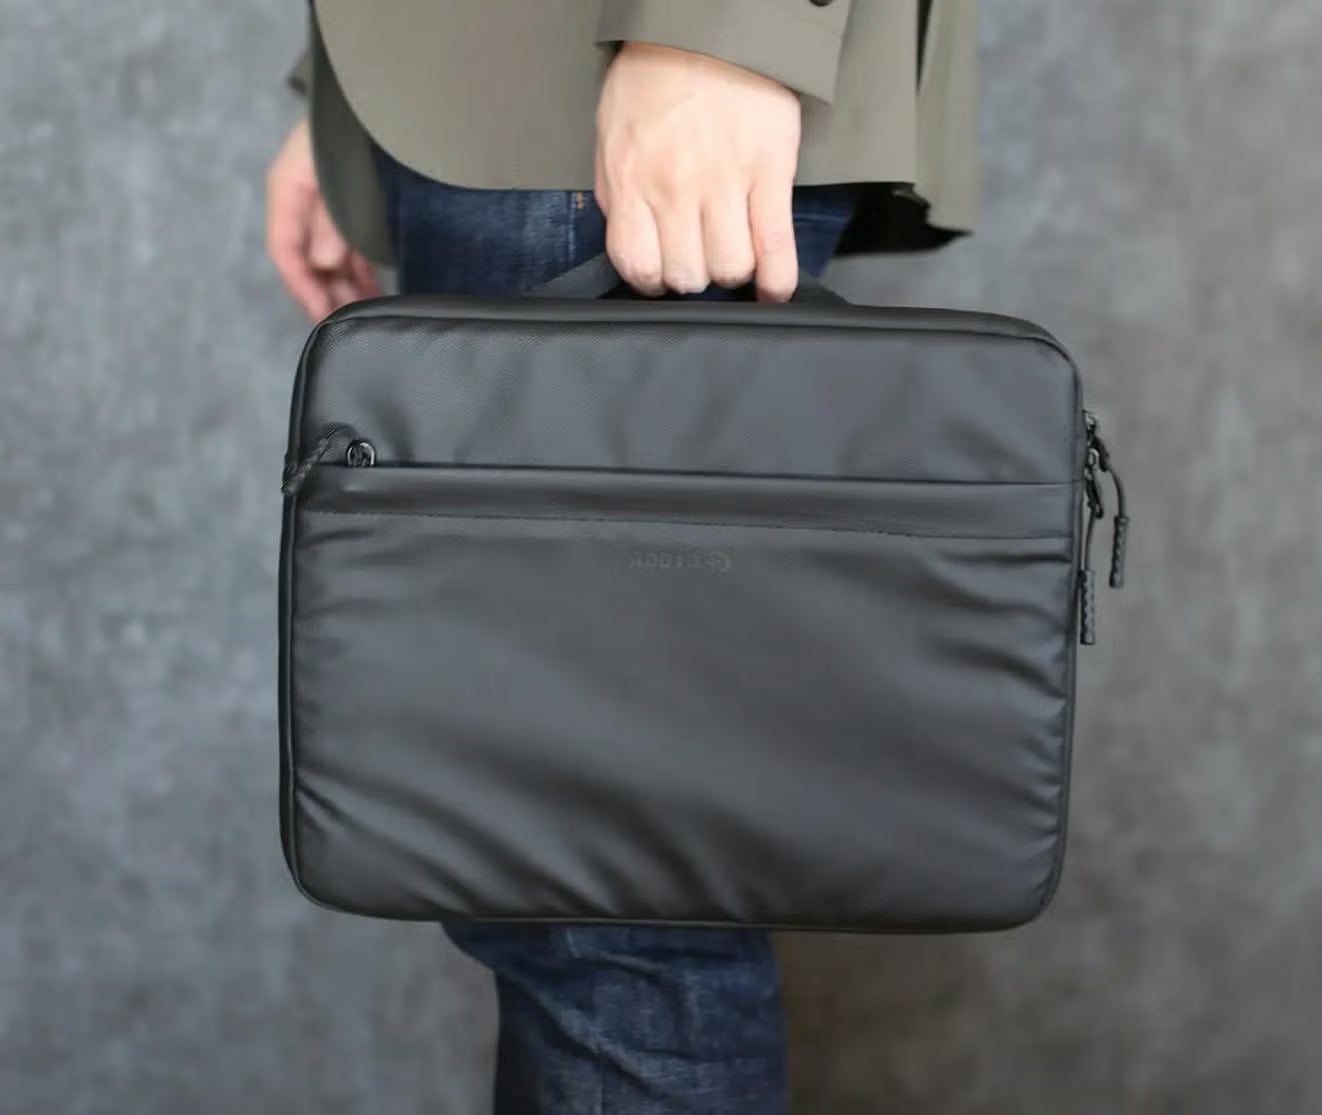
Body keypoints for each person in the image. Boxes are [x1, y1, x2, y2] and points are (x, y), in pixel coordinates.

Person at [266, 3, 979, 1111]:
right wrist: (348, 93)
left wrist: (718, 29)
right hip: (496, 89)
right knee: (581, 889)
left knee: (605, 909)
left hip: (623, 73)